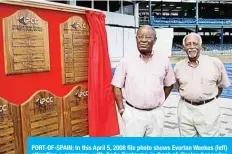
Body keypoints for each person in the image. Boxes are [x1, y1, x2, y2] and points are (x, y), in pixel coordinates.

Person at [111, 25, 176, 137]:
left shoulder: (164, 60)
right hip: (133, 114)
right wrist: (122, 110)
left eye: (148, 37)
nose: (143, 40)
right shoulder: (126, 60)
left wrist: (160, 101)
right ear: (136, 39)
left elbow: (169, 84)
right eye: (140, 37)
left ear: (154, 40)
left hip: (156, 114)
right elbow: (116, 86)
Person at [174, 33, 230, 137]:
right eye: (188, 44)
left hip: (208, 109)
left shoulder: (215, 63)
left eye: (195, 44)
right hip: (185, 109)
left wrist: (207, 99)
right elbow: (179, 87)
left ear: (201, 46)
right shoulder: (178, 66)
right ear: (184, 48)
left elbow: (221, 85)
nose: (191, 47)